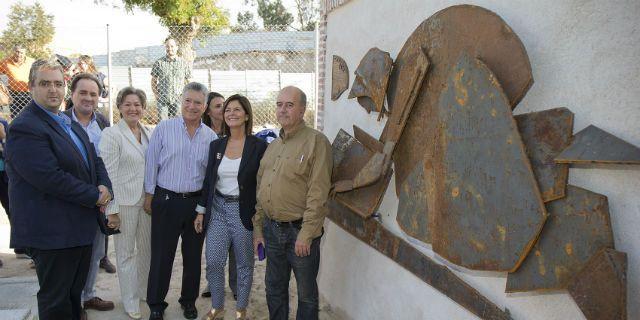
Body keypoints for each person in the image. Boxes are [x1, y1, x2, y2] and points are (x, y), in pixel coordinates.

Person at [6, 59, 112, 320]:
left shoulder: (66, 122)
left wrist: (104, 184)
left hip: (78, 229)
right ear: (30, 87)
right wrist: (95, 196)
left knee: (73, 297)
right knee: (56, 301)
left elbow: (93, 158)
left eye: (57, 83)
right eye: (45, 84)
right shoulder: (25, 127)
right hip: (52, 233)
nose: (53, 90)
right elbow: (50, 178)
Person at [253, 86, 332, 320]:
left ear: (302, 110)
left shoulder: (316, 142)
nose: (283, 110)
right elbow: (261, 189)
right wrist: (258, 229)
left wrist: (307, 234)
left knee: (306, 295)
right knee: (274, 289)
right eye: (279, 104)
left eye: (289, 105)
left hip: (299, 233)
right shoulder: (273, 147)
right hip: (271, 230)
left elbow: (318, 194)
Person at [144, 82, 217, 320]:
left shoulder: (210, 137)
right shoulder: (164, 129)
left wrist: (203, 208)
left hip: (195, 206)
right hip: (165, 201)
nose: (192, 106)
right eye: (188, 100)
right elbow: (151, 163)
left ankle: (188, 301)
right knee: (162, 255)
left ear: (204, 106)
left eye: (197, 102)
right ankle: (156, 303)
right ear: (181, 101)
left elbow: (209, 177)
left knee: (193, 256)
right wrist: (149, 195)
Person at [194, 94, 267, 320]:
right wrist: (200, 210)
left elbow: (263, 184)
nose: (231, 114)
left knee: (244, 264)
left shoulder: (259, 146)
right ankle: (218, 306)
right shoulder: (217, 144)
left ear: (246, 115)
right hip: (217, 209)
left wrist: (259, 223)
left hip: (242, 211)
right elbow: (208, 181)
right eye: (227, 110)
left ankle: (241, 309)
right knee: (214, 261)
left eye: (237, 110)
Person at [63, 72, 116, 317]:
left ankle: (88, 295)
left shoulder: (103, 124)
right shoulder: (59, 122)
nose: (88, 98)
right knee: (71, 254)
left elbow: (105, 161)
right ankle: (71, 302)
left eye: (93, 94)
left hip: (98, 200)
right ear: (71, 94)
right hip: (69, 199)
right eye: (82, 92)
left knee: (95, 251)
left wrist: (106, 190)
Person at [99, 87, 152, 320]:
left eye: (137, 104)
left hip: (147, 204)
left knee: (147, 251)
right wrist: (112, 209)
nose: (133, 108)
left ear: (143, 108)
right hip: (125, 203)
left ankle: (142, 292)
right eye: (128, 104)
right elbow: (108, 173)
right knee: (126, 253)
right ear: (119, 107)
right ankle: (130, 301)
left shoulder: (148, 132)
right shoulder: (112, 134)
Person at [200, 91, 239, 301]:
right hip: (211, 197)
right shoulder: (203, 134)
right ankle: (212, 282)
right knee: (214, 244)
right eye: (218, 106)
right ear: (208, 110)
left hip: (232, 197)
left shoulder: (234, 130)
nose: (223, 110)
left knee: (235, 244)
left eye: (225, 105)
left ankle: (235, 284)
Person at [151, 37, 191, 120]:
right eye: (167, 46)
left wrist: (185, 96)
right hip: (163, 99)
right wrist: (156, 94)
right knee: (163, 124)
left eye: (172, 46)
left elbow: (188, 81)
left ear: (177, 47)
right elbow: (153, 80)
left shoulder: (183, 63)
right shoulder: (159, 63)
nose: (170, 49)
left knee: (177, 124)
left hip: (178, 99)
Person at [0, 45, 34, 118]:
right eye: (17, 52)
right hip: (12, 93)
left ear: (25, 53)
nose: (19, 55)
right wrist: (3, 85)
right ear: (13, 52)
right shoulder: (5, 62)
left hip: (28, 93)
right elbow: (1, 74)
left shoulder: (31, 62)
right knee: (13, 116)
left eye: (21, 53)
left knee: (28, 115)